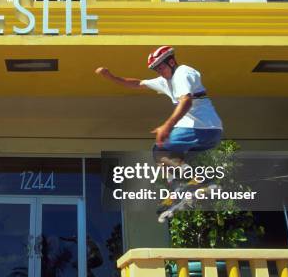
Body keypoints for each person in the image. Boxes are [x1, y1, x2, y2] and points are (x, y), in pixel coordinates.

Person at [95, 46, 224, 217]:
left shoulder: (183, 73)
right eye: (156, 70)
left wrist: (167, 126)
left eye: (161, 67)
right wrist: (111, 77)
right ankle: (177, 189)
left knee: (160, 149)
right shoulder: (166, 81)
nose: (160, 72)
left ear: (171, 62)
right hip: (207, 133)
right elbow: (137, 83)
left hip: (203, 129)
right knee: (168, 158)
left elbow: (186, 101)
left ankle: (199, 180)